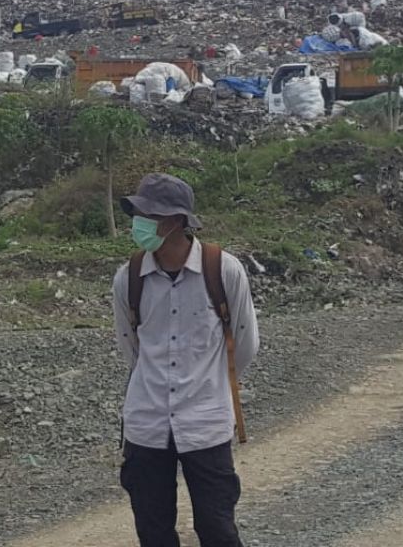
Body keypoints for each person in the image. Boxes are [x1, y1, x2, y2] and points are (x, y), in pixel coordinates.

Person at [112, 173, 260, 547]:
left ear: (176, 222)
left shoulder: (223, 270)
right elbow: (131, 349)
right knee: (154, 532)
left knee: (217, 530)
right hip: (146, 426)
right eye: (138, 213)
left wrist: (207, 385)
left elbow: (244, 344)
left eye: (148, 214)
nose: (139, 223)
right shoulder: (128, 278)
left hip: (206, 424)